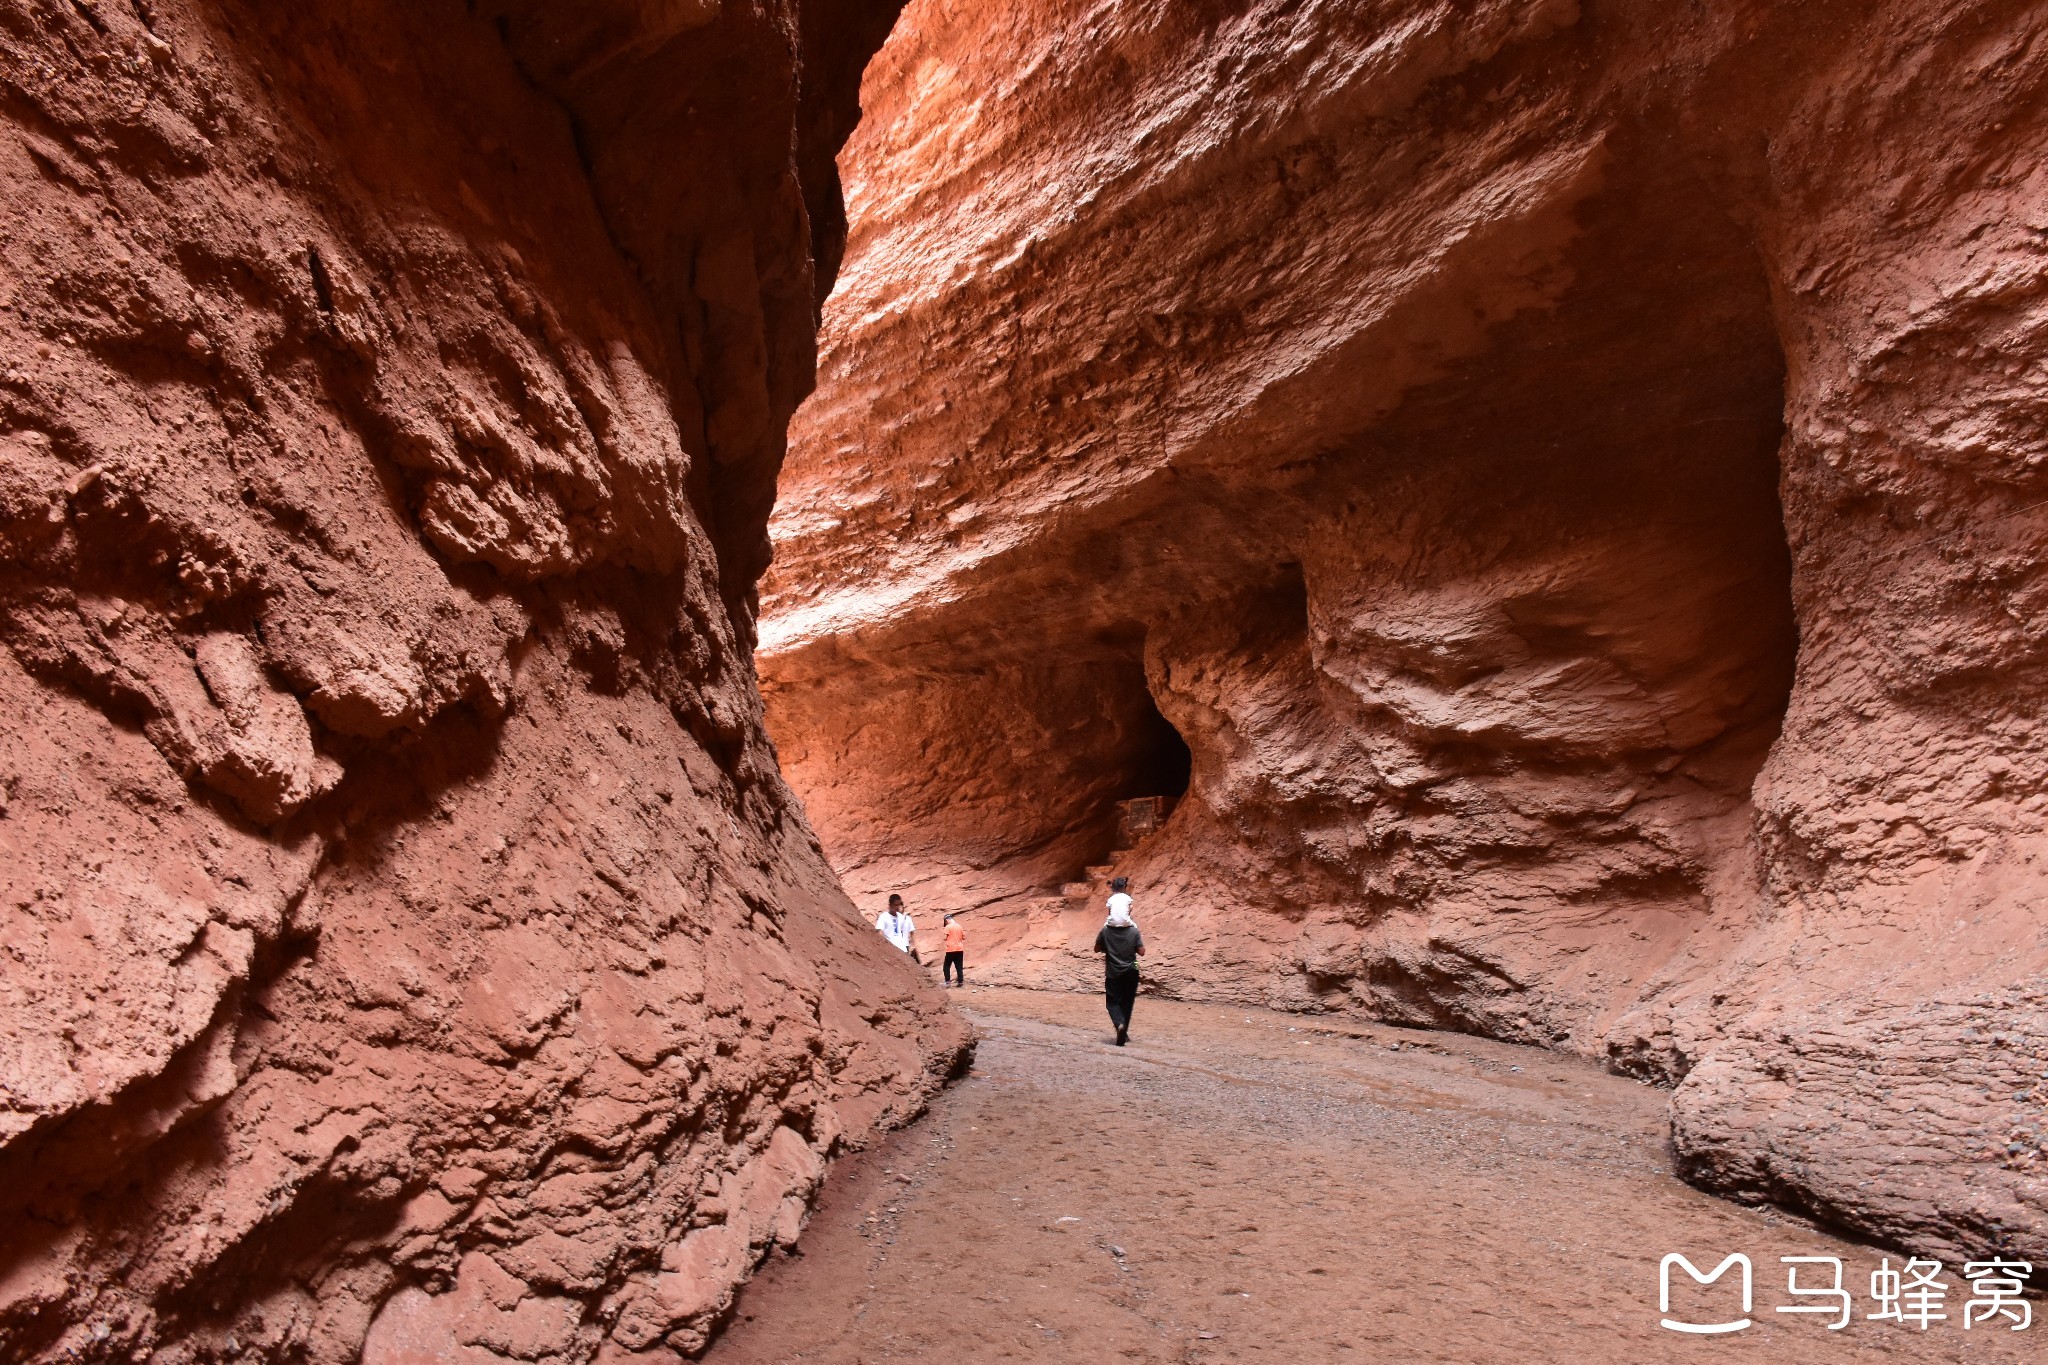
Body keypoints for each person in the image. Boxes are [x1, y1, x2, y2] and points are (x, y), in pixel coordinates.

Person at [1093, 877, 1144, 1046]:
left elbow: (1096, 949)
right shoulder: (1133, 931)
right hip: (1132, 969)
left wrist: (1108, 947)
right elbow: (1142, 952)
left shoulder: (1105, 931)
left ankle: (1119, 1025)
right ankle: (1125, 1031)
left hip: (1113, 972)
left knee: (1113, 1002)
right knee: (1127, 1001)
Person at [876, 894, 917, 962]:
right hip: (891, 950)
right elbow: (880, 933)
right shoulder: (883, 917)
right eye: (895, 905)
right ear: (890, 905)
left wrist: (908, 946)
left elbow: (904, 933)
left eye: (899, 904)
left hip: (903, 949)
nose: (897, 907)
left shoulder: (901, 917)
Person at [941, 913, 966, 987]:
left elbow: (945, 938)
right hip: (959, 948)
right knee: (959, 966)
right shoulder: (959, 926)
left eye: (945, 922)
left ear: (947, 920)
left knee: (946, 965)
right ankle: (960, 982)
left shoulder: (948, 927)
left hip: (951, 949)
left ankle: (947, 982)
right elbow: (963, 937)